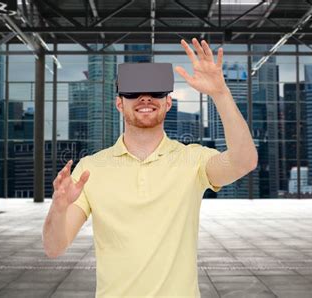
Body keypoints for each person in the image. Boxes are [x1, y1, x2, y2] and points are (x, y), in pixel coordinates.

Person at [42, 38, 258, 297]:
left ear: (168, 103)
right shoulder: (91, 169)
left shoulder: (193, 160)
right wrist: (58, 207)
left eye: (156, 92)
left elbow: (245, 161)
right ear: (119, 103)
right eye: (133, 92)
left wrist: (220, 93)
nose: (145, 98)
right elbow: (55, 248)